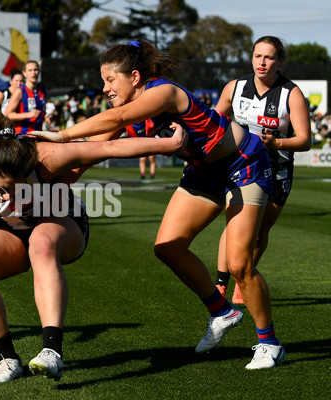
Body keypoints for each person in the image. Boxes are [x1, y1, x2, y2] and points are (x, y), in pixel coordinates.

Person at [29, 40, 284, 370]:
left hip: (243, 162)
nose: (104, 88)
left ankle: (269, 343)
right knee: (167, 247)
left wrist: (60, 135)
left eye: (110, 80)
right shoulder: (128, 113)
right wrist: (44, 195)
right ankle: (222, 311)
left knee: (238, 264)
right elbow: (85, 157)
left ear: (134, 77)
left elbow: (115, 116)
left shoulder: (163, 91)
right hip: (202, 171)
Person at [0, 84, 187, 383]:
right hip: (6, 229)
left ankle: (52, 352)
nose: (8, 198)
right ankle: (7, 359)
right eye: (1, 190)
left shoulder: (44, 156)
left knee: (41, 242)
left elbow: (106, 148)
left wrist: (169, 145)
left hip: (59, 219)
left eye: (17, 188)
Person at [213, 36, 312, 304]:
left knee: (259, 232)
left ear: (279, 61)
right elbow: (214, 120)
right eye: (258, 56)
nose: (262, 62)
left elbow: (305, 139)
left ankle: (243, 278)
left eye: (269, 57)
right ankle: (221, 285)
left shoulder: (292, 94)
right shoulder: (235, 87)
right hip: (241, 167)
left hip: (277, 169)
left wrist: (276, 141)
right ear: (252, 57)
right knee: (233, 225)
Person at [3, 60, 47, 135]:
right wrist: (28, 115)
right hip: (22, 136)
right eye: (30, 70)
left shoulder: (42, 90)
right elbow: (7, 114)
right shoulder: (20, 91)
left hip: (39, 134)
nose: (33, 73)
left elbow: (40, 111)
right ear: (24, 73)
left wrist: (46, 116)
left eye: (35, 70)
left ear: (39, 72)